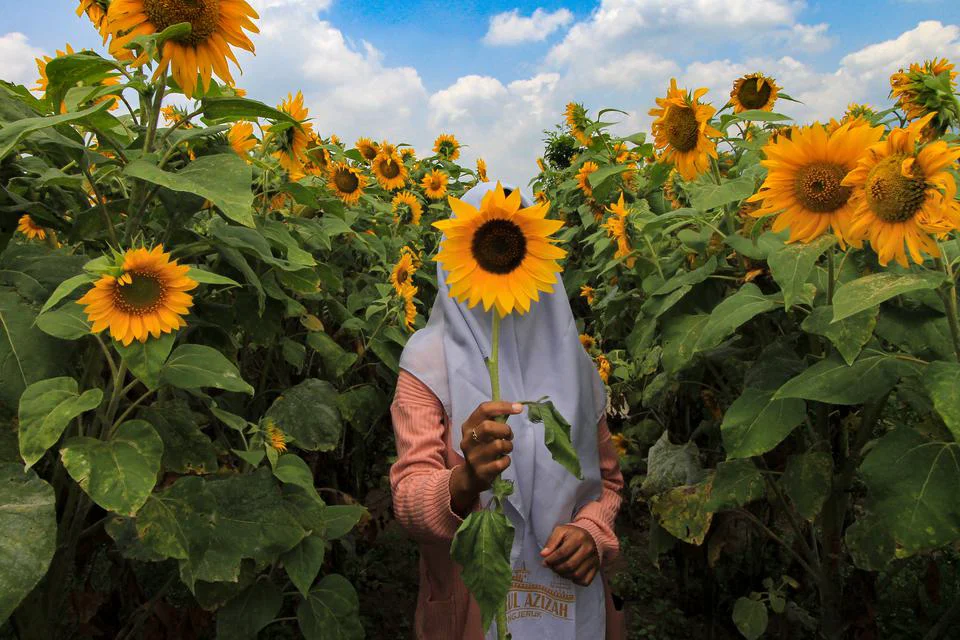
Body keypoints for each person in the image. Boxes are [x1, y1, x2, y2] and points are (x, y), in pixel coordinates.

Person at [389, 180, 625, 639]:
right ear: (455, 262)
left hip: (570, 602)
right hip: (474, 610)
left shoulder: (574, 367)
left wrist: (592, 533)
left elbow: (608, 482)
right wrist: (465, 480)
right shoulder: (426, 365)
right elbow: (409, 504)